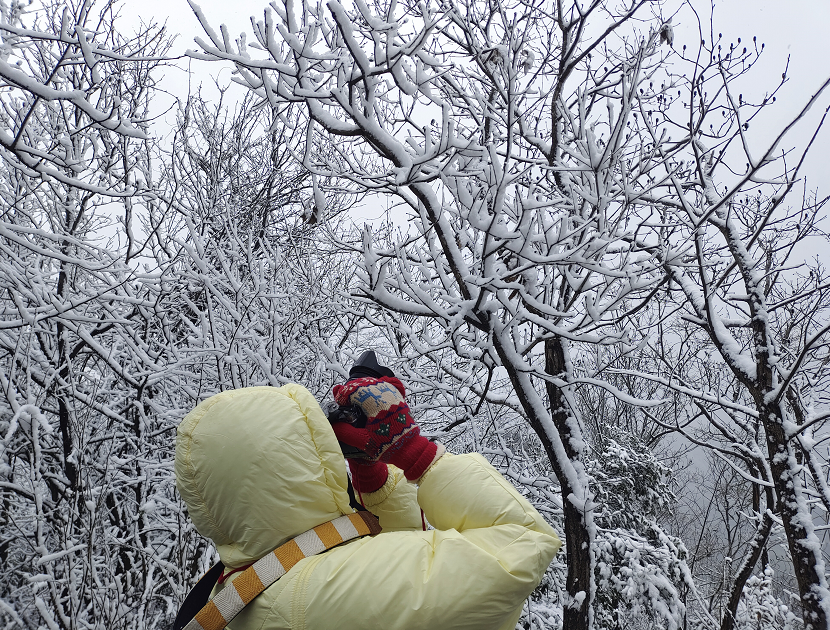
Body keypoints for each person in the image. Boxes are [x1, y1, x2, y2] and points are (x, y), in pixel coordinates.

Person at [175, 367, 561, 630]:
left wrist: (370, 476)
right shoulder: (319, 593)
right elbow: (521, 545)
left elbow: (392, 557)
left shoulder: (247, 584)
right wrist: (415, 454)